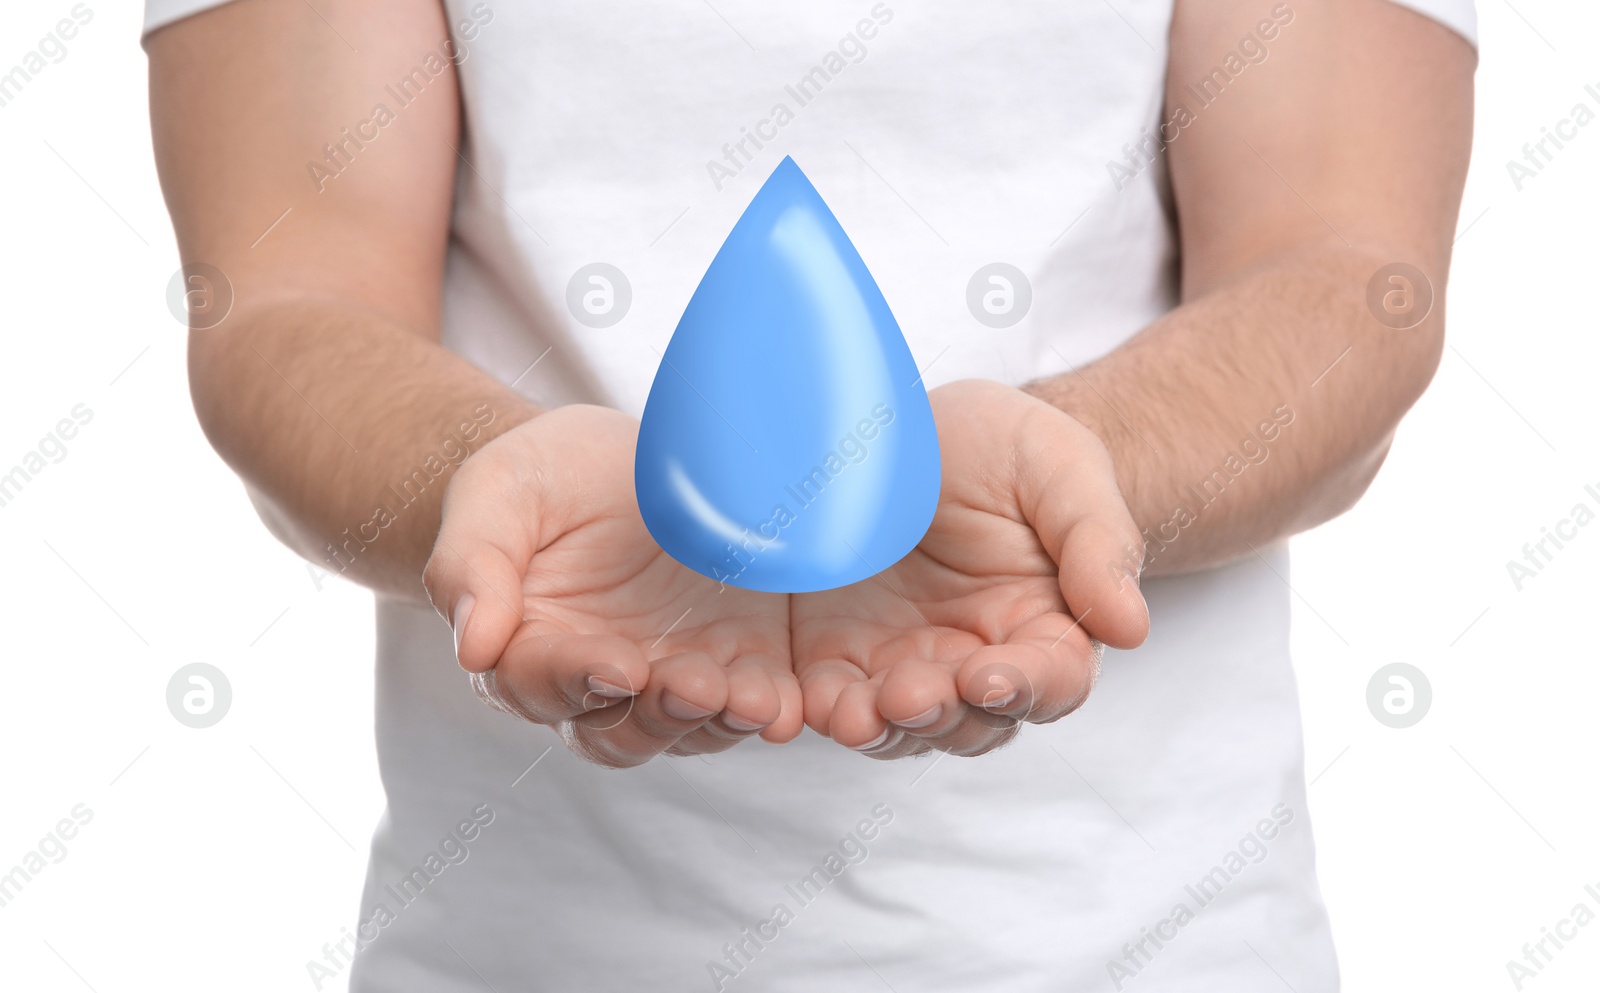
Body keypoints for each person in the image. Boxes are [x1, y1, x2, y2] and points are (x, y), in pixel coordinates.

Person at [144, 0, 1475, 989]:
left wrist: (1074, 471)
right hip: (519, 947)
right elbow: (285, 293)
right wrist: (483, 482)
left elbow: (1346, 264)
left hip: (1159, 944)